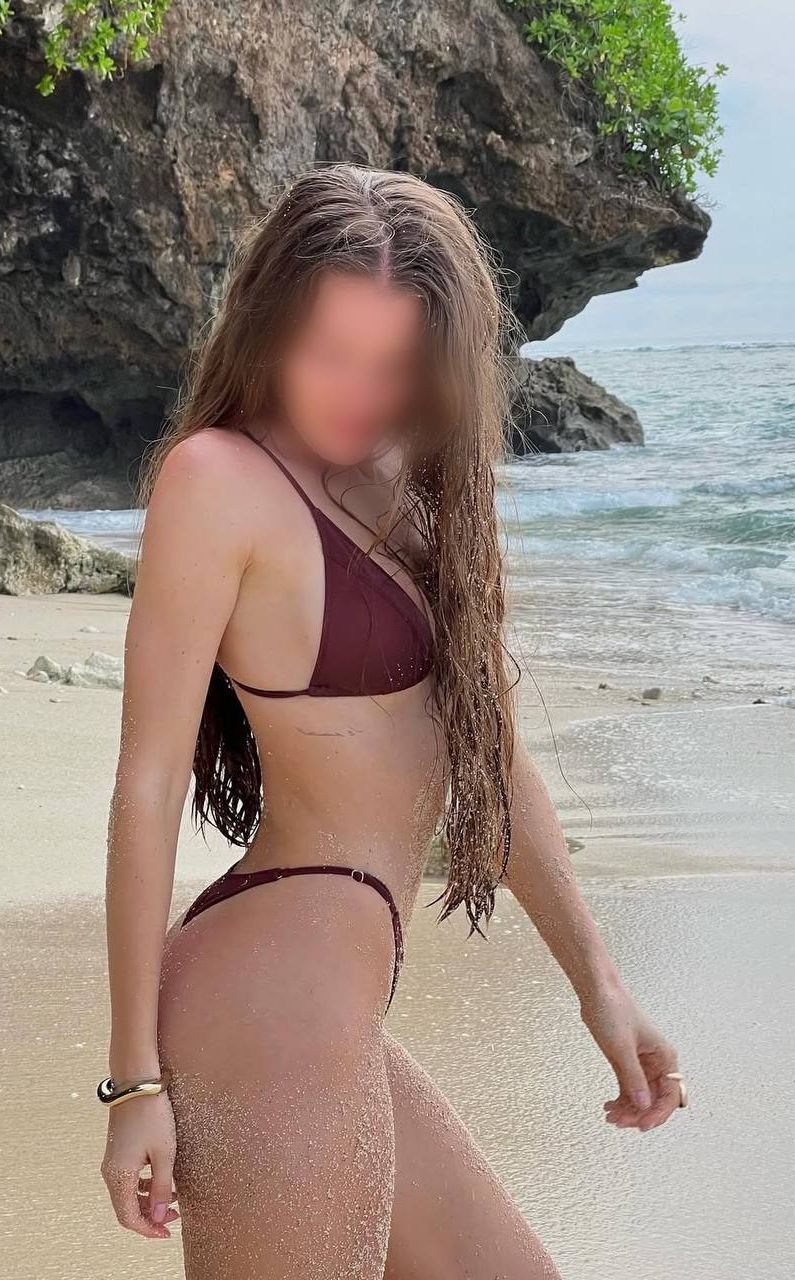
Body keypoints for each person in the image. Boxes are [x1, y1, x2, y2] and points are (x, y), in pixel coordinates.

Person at [99, 165, 686, 1279]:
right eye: (331, 352)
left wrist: (600, 987)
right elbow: (148, 783)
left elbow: (490, 757)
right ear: (270, 323)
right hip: (269, 997)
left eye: (393, 363)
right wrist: (132, 1080)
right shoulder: (218, 479)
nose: (358, 393)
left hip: (336, 999)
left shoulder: (408, 480)